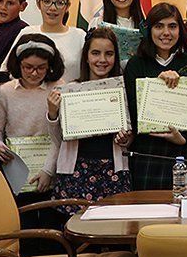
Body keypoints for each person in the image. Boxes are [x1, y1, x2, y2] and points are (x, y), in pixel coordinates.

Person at [33, 28, 132, 208]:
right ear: (86, 57)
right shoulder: (70, 90)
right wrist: (53, 114)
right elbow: (58, 140)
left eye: (109, 54)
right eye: (95, 53)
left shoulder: (123, 90)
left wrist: (125, 138)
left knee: (111, 227)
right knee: (73, 229)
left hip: (113, 170)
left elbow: (130, 138)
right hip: (75, 170)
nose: (102, 60)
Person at [123, 2, 187, 191]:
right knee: (150, 217)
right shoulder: (136, 64)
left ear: (180, 30)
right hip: (149, 153)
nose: (166, 32)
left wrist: (183, 138)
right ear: (149, 30)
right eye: (159, 26)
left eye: (172, 26)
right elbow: (132, 113)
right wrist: (157, 86)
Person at [0, 33, 65, 167]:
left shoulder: (59, 87)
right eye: (28, 67)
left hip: (52, 162)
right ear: (18, 64)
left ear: (49, 66)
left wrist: (48, 170)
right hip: (17, 163)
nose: (34, 73)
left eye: (41, 68)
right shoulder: (6, 91)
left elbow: (62, 136)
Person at [2, 0, 86, 82]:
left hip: (70, 95)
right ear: (39, 3)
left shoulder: (79, 36)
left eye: (60, 3)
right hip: (32, 96)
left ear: (67, 6)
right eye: (47, 1)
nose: (52, 8)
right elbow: (7, 70)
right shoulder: (27, 33)